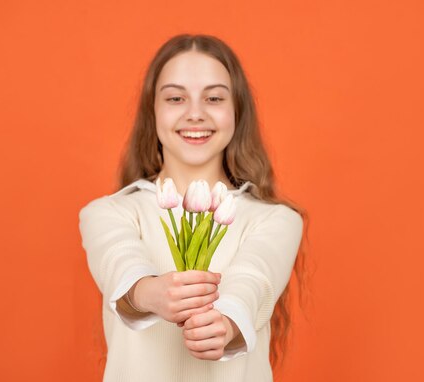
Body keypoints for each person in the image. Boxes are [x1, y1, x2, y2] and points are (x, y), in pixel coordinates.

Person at [78, 34, 308, 382]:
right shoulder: (107, 213)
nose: (195, 114)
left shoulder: (276, 220)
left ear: (237, 111)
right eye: (175, 98)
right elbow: (119, 262)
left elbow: (253, 280)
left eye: (214, 98)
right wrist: (150, 293)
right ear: (152, 112)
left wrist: (225, 322)